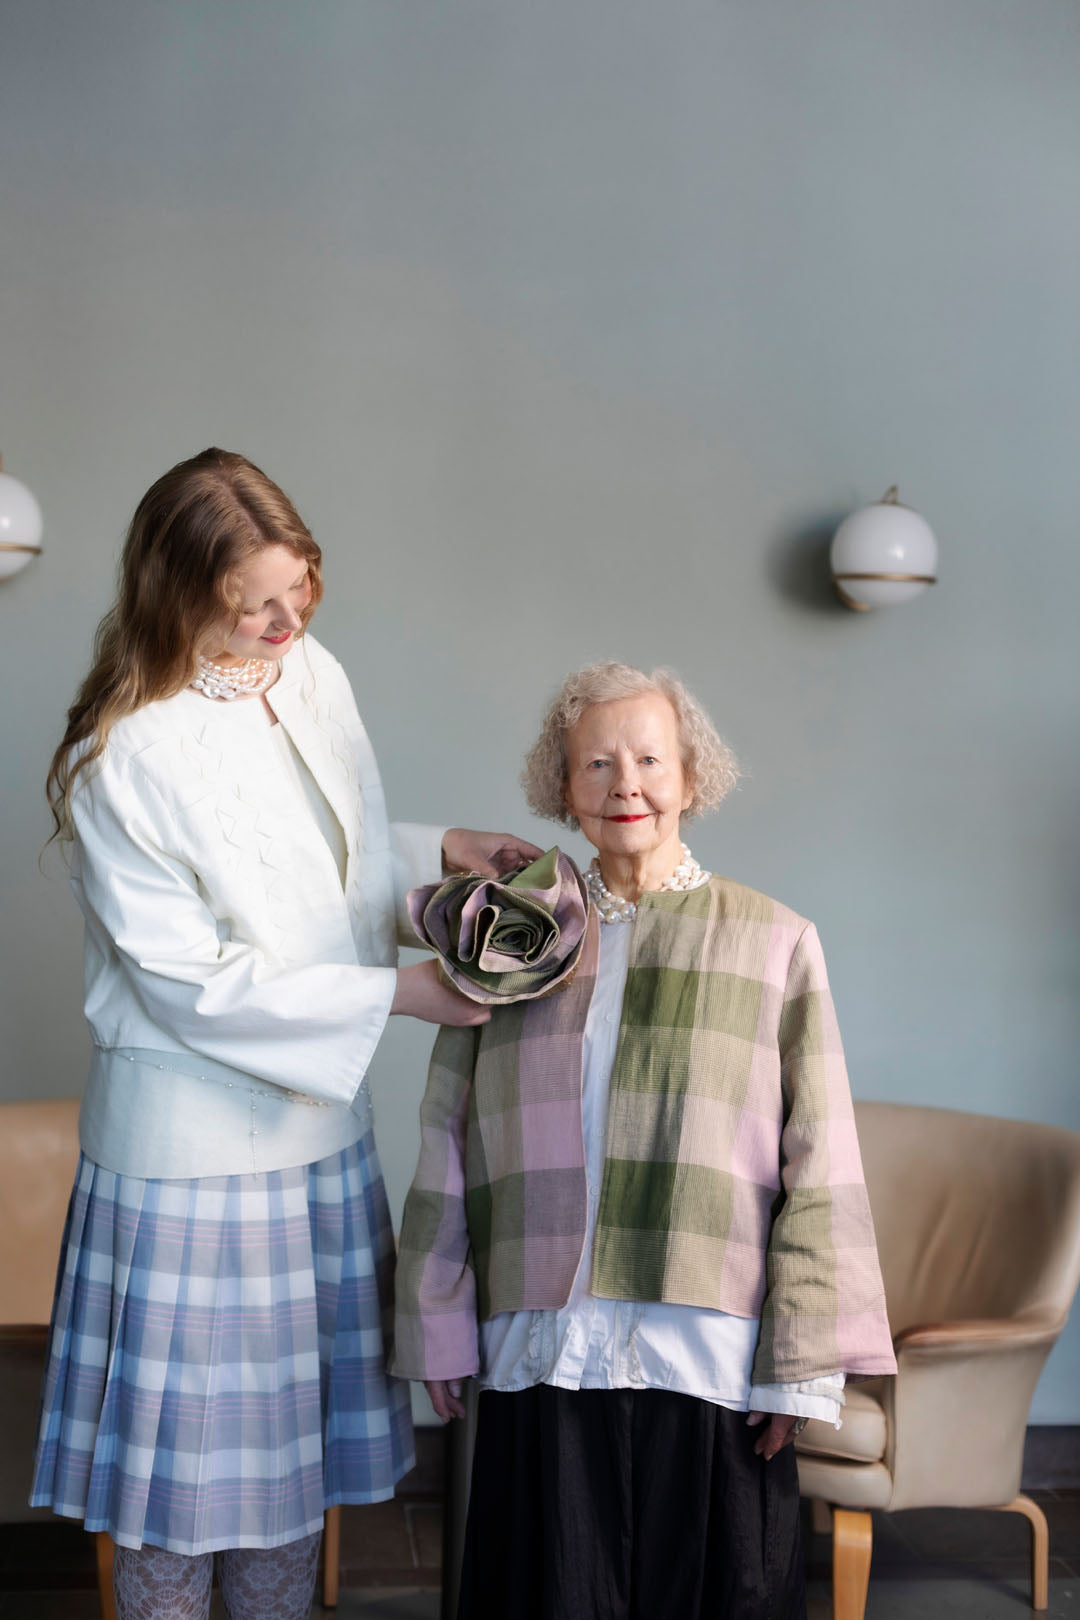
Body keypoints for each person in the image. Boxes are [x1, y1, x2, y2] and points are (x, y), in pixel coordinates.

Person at [30, 447, 539, 1620]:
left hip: (316, 1139)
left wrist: (437, 847)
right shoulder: (126, 751)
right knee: (179, 1499)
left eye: (297, 586)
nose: (282, 618)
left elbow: (320, 869)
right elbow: (188, 980)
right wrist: (402, 996)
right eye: (251, 599)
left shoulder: (309, 673)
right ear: (179, 590)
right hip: (191, 1168)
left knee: (291, 1483)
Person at [392, 662, 897, 1620]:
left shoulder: (774, 940)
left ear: (690, 778)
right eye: (596, 763)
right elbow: (446, 1134)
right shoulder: (510, 937)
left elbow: (821, 1158)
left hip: (710, 1347)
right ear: (562, 789)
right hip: (543, 1334)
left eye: (650, 758)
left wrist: (800, 1355)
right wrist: (438, 1314)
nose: (626, 782)